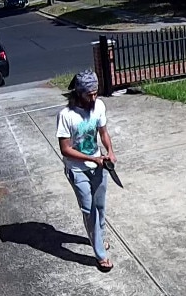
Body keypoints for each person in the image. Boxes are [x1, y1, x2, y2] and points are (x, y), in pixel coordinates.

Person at [56, 69, 117, 271]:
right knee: (89, 210)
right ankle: (100, 253)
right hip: (77, 170)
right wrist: (93, 158)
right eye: (89, 94)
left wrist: (110, 150)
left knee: (100, 207)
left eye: (95, 93)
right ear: (79, 93)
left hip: (98, 166)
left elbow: (103, 133)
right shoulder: (66, 116)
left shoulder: (98, 106)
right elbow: (65, 149)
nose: (94, 97)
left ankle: (98, 238)